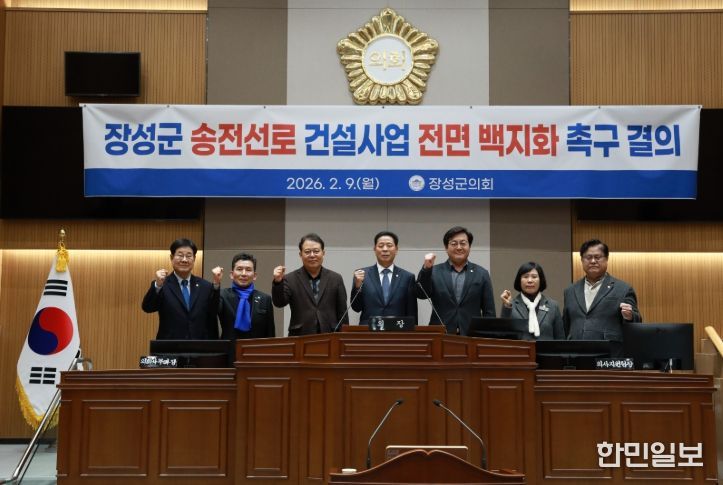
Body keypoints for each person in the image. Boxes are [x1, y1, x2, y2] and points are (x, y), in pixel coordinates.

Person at [563, 239, 642, 357]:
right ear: (582, 260)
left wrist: (630, 316)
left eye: (597, 257)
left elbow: (637, 322)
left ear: (606, 259)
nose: (593, 261)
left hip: (609, 354)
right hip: (576, 355)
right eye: (588, 257)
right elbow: (566, 325)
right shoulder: (570, 291)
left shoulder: (623, 289)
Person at [417, 226, 495, 335]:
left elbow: (489, 311)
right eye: (454, 243)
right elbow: (421, 294)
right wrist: (426, 269)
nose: (459, 247)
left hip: (472, 336)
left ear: (469, 246)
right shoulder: (435, 271)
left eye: (463, 243)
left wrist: (488, 336)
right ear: (446, 247)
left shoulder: (482, 274)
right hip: (440, 335)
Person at [142, 238, 222, 340]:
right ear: (171, 257)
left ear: (194, 259)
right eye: (180, 255)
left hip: (198, 345)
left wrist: (216, 285)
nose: (184, 260)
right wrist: (157, 286)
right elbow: (148, 307)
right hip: (170, 346)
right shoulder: (162, 284)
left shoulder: (205, 286)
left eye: (188, 256)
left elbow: (213, 312)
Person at [272, 233, 348, 335]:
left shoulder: (335, 278)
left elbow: (343, 312)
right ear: (300, 254)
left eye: (316, 251)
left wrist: (343, 337)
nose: (312, 255)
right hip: (300, 335)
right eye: (307, 252)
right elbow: (279, 303)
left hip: (330, 335)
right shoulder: (290, 279)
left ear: (323, 253)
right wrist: (278, 282)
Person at [350, 231, 417, 326]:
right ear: (374, 249)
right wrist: (357, 286)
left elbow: (411, 312)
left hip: (397, 330)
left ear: (396, 249)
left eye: (389, 245)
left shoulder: (407, 277)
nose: (385, 249)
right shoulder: (362, 275)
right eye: (381, 246)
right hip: (369, 330)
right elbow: (356, 307)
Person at [500, 262, 564, 340]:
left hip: (546, 348)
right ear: (519, 280)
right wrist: (507, 306)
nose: (530, 280)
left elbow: (560, 339)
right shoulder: (510, 306)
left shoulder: (553, 306)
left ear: (541, 280)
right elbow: (503, 334)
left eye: (534, 277)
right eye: (525, 276)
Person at [218, 253, 275, 340]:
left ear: (254, 276)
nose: (244, 274)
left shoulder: (265, 299)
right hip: (229, 347)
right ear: (231, 274)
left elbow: (270, 333)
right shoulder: (222, 295)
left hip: (256, 347)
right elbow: (211, 312)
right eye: (239, 269)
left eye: (248, 270)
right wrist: (216, 284)